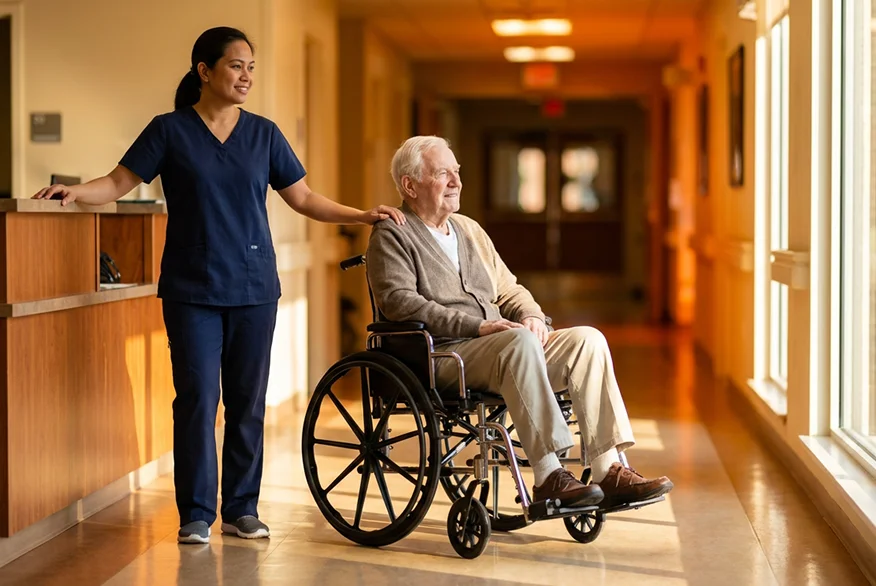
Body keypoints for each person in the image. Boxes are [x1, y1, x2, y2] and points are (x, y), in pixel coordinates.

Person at [32, 26, 405, 545]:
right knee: (197, 399)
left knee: (248, 402)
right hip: (191, 290)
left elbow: (303, 198)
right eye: (236, 66)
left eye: (251, 67)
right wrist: (74, 191)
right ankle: (196, 514)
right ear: (204, 72)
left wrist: (364, 214)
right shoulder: (169, 131)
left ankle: (241, 509)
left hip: (255, 287)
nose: (247, 75)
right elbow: (118, 183)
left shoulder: (265, 134)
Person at [365, 136, 674, 509]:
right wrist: (476, 327)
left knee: (586, 341)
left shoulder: (469, 230)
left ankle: (608, 469)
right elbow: (400, 303)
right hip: (444, 356)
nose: (456, 181)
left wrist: (530, 315)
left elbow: (509, 287)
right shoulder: (391, 233)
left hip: (503, 345)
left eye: (457, 172)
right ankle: (548, 475)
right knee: (519, 343)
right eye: (442, 173)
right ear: (409, 185)